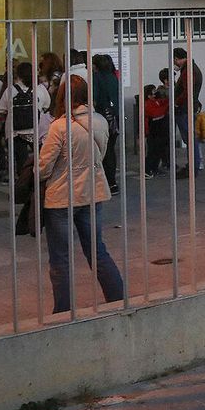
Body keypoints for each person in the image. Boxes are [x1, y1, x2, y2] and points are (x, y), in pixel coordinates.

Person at [38, 76, 124, 315]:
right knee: (97, 250)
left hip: (62, 197)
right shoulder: (99, 121)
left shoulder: (59, 126)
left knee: (60, 258)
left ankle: (63, 309)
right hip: (92, 193)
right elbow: (101, 154)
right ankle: (118, 297)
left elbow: (44, 167)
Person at [0, 62, 52, 181]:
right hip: (36, 130)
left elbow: (1, 108)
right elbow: (47, 105)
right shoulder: (40, 89)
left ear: (18, 75)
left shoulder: (10, 90)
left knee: (21, 162)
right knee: (39, 159)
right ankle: (37, 183)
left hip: (15, 132)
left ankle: (23, 184)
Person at [90, 55, 121, 196]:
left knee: (102, 151)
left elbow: (95, 99)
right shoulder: (114, 77)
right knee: (110, 150)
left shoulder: (96, 78)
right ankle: (112, 181)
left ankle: (105, 182)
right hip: (114, 118)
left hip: (102, 117)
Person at [172, 48, 204, 176]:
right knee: (191, 139)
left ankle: (193, 166)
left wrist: (176, 102)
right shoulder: (191, 68)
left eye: (175, 60)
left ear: (177, 58)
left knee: (190, 139)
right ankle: (193, 164)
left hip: (185, 108)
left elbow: (187, 91)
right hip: (188, 107)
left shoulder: (188, 71)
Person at [143, 82, 170, 178]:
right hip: (152, 132)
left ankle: (154, 168)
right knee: (152, 152)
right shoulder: (148, 104)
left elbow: (163, 103)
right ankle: (147, 170)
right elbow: (156, 113)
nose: (156, 93)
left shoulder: (156, 101)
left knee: (158, 150)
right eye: (153, 92)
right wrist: (166, 106)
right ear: (148, 95)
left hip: (158, 131)